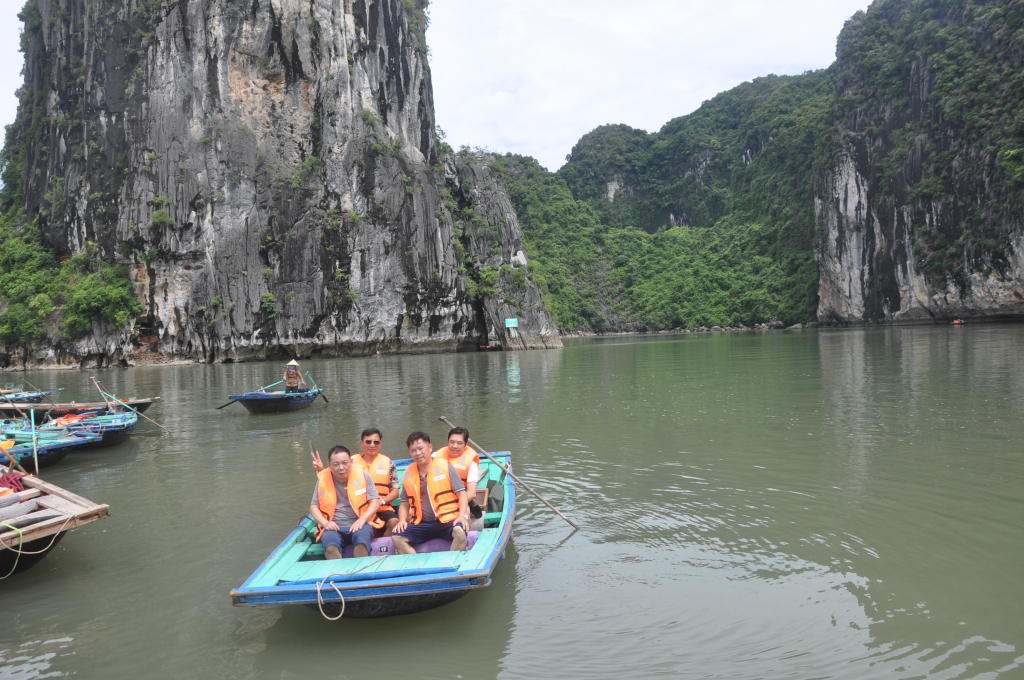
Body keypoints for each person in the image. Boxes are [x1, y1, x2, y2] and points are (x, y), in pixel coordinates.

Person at [392, 431, 470, 555]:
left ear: (430, 447)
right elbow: (404, 503)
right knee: (397, 537)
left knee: (460, 532)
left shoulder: (446, 467)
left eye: (420, 448)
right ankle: (417, 567)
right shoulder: (408, 473)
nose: (417, 453)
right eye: (413, 450)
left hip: (448, 521)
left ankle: (452, 566)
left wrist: (462, 515)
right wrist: (402, 520)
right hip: (422, 524)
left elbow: (462, 494)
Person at [312, 428, 400, 536]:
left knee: (394, 522)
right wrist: (321, 470)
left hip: (381, 507)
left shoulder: (389, 464)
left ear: (380, 444)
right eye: (368, 442)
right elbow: (334, 478)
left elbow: (395, 492)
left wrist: (379, 502)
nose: (372, 445)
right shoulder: (350, 461)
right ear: (362, 443)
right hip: (357, 508)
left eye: (376, 442)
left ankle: (380, 546)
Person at [310, 446, 381, 560]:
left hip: (360, 523)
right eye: (336, 464)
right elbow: (314, 507)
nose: (341, 468)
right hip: (334, 525)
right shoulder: (322, 479)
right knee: (330, 547)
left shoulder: (363, 475)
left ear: (351, 462)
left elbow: (375, 502)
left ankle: (360, 575)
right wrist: (325, 523)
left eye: (344, 463)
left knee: (361, 543)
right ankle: (338, 576)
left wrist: (361, 520)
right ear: (329, 465)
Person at [433, 426, 484, 519]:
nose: (455, 446)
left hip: (458, 501)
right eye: (452, 442)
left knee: (465, 512)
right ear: (448, 442)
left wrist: (451, 505)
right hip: (436, 500)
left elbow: (471, 493)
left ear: (466, 444)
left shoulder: (471, 464)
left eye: (459, 443)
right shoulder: (435, 457)